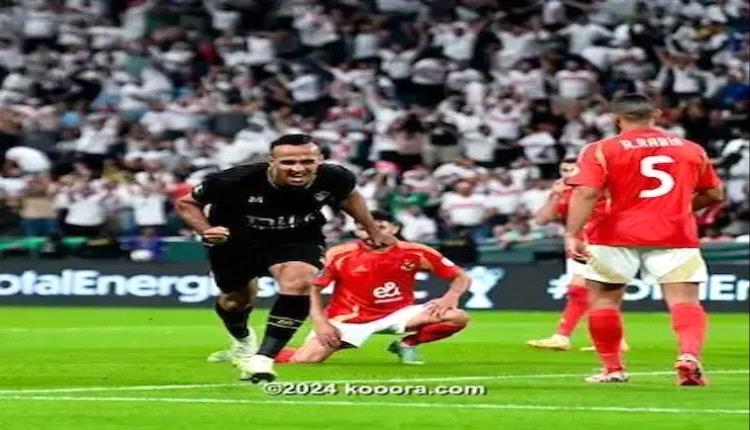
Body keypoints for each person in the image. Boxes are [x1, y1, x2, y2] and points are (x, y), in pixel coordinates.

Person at [175, 134, 396, 383]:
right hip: (235, 241)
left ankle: (263, 360)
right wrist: (206, 230)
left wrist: (373, 229)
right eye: (288, 162)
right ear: (271, 161)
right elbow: (187, 203)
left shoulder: (335, 177)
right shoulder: (234, 180)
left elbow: (349, 196)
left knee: (300, 280)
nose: (298, 168)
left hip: (297, 237)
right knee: (235, 301)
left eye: (307, 161)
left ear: (320, 160)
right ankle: (243, 341)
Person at [566, 94, 724, 385]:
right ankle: (689, 356)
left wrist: (572, 233)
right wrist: (675, 208)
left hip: (613, 233)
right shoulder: (691, 149)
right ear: (657, 114)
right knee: (685, 300)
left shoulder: (600, 150)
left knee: (604, 300)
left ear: (616, 118)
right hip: (675, 232)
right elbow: (715, 194)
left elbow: (586, 192)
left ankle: (613, 369)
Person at [275, 211, 471, 365]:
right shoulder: (340, 254)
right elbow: (314, 289)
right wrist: (321, 322)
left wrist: (451, 296)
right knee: (304, 360)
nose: (372, 232)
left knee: (457, 316)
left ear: (395, 228)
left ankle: (407, 344)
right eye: (364, 228)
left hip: (398, 314)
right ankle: (266, 353)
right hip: (349, 319)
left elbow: (460, 276)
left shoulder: (416, 252)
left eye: (381, 227)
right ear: (356, 231)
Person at [526, 159, 629, 352]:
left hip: (601, 241)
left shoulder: (597, 189)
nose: (567, 174)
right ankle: (615, 341)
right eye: (564, 170)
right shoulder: (564, 192)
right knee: (595, 292)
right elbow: (542, 219)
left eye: (572, 170)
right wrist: (556, 195)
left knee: (583, 289)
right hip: (578, 243)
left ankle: (562, 337)